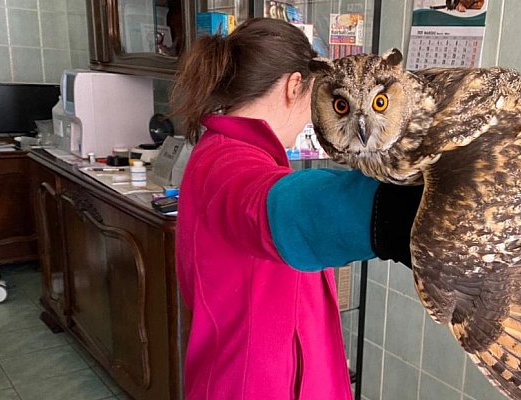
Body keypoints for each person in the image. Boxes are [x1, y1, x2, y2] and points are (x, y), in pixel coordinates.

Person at [171, 18, 422, 400]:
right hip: (252, 387)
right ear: (294, 86)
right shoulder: (226, 163)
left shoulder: (230, 151)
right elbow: (278, 209)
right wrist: (393, 212)